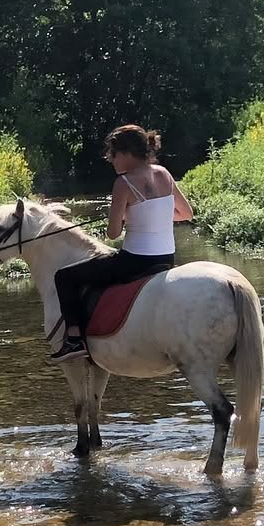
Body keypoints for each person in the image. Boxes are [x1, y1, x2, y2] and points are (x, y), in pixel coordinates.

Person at [49, 123, 193, 359]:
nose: (110, 159)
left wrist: (123, 216)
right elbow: (186, 213)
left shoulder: (123, 183)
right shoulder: (164, 174)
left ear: (127, 153)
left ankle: (74, 339)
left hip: (135, 263)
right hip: (167, 259)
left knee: (64, 277)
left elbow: (113, 233)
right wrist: (148, 216)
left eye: (112, 154)